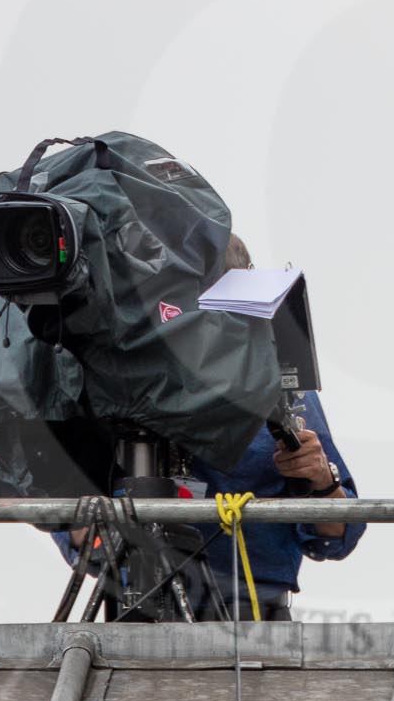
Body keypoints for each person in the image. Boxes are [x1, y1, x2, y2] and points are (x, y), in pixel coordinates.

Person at [57, 234, 363, 621]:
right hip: (135, 611)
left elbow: (337, 535)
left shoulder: (282, 387)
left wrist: (321, 480)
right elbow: (75, 530)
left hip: (253, 616)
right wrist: (87, 528)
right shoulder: (109, 384)